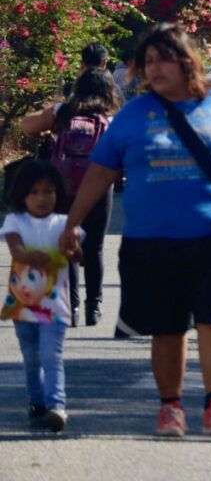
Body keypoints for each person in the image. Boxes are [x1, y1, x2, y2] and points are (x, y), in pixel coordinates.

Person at [60, 23, 211, 438]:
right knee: (166, 328)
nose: (155, 69)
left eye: (163, 59)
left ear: (187, 62)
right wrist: (71, 223)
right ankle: (171, 408)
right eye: (148, 62)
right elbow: (99, 173)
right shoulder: (132, 115)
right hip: (151, 240)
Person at [20, 69, 121, 327]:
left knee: (67, 244)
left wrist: (48, 134)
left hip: (63, 187)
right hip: (99, 187)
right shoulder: (112, 118)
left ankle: (72, 306)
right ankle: (94, 307)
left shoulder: (63, 113)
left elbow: (26, 125)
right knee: (95, 247)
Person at [2, 161, 81, 433]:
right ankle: (36, 402)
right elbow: (16, 250)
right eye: (34, 192)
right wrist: (28, 256)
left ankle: (56, 405)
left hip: (55, 305)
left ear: (57, 193)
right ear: (22, 195)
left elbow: (77, 251)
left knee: (51, 355)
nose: (42, 198)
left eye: (48, 191)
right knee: (31, 356)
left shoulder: (64, 223)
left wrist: (73, 251)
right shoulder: (15, 221)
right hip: (23, 305)